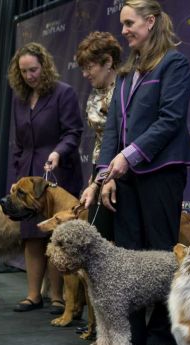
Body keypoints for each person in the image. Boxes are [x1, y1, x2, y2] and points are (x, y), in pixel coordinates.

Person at [86, 0, 190, 345]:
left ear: (150, 22)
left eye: (130, 23)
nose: (125, 30)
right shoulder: (125, 71)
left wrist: (126, 157)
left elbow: (170, 119)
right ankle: (128, 334)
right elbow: (114, 129)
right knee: (128, 256)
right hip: (126, 178)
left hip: (161, 172)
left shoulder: (174, 63)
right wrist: (106, 175)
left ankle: (163, 332)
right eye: (123, 24)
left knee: (163, 255)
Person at [7, 42, 83, 312]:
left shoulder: (64, 93)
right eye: (24, 71)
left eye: (34, 69)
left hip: (58, 171)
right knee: (31, 235)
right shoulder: (19, 99)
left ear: (45, 66)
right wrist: (17, 176)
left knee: (57, 237)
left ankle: (58, 298)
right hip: (27, 173)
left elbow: (73, 132)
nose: (29, 76)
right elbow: (18, 142)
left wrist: (59, 153)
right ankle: (33, 295)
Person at [77, 31, 122, 243]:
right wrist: (94, 176)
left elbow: (121, 137)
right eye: (83, 68)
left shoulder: (124, 90)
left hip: (121, 169)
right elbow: (99, 139)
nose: (85, 74)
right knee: (99, 236)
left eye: (89, 67)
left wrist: (109, 176)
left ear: (108, 62)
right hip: (101, 168)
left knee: (112, 240)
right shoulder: (97, 93)